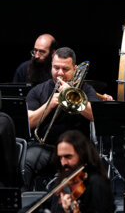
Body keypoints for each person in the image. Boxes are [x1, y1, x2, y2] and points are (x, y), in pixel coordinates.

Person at [23, 47, 100, 191]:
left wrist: (73, 97)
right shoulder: (38, 90)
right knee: (26, 161)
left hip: (77, 149)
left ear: (75, 69)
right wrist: (49, 105)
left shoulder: (86, 89)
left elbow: (97, 115)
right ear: (51, 65)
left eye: (65, 69)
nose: (59, 73)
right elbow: (28, 122)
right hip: (46, 147)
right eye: (56, 68)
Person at [51, 130, 115, 212]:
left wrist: (69, 209)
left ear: (82, 155)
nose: (63, 163)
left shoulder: (96, 184)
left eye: (68, 157)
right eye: (60, 157)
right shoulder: (64, 181)